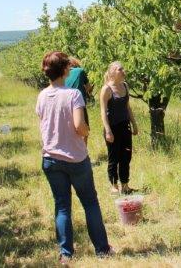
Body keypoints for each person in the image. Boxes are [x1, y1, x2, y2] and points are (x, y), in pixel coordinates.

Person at [35, 51, 112, 262]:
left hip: (50, 158)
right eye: (68, 66)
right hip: (76, 158)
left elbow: (44, 123)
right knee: (90, 203)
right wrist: (86, 131)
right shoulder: (73, 95)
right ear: (64, 70)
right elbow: (79, 126)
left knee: (62, 206)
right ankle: (102, 250)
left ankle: (66, 254)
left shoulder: (42, 96)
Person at [99, 61, 138, 194]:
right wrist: (108, 131)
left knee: (126, 155)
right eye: (120, 69)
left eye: (123, 69)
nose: (123, 71)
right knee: (113, 157)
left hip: (124, 126)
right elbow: (103, 112)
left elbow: (127, 107)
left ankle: (125, 185)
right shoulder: (106, 89)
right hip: (112, 127)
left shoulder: (125, 86)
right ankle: (114, 185)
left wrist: (134, 123)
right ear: (112, 72)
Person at [65, 57, 93, 144]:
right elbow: (88, 88)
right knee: (85, 130)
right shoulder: (80, 71)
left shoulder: (62, 74)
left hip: (65, 105)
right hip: (79, 104)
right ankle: (83, 152)